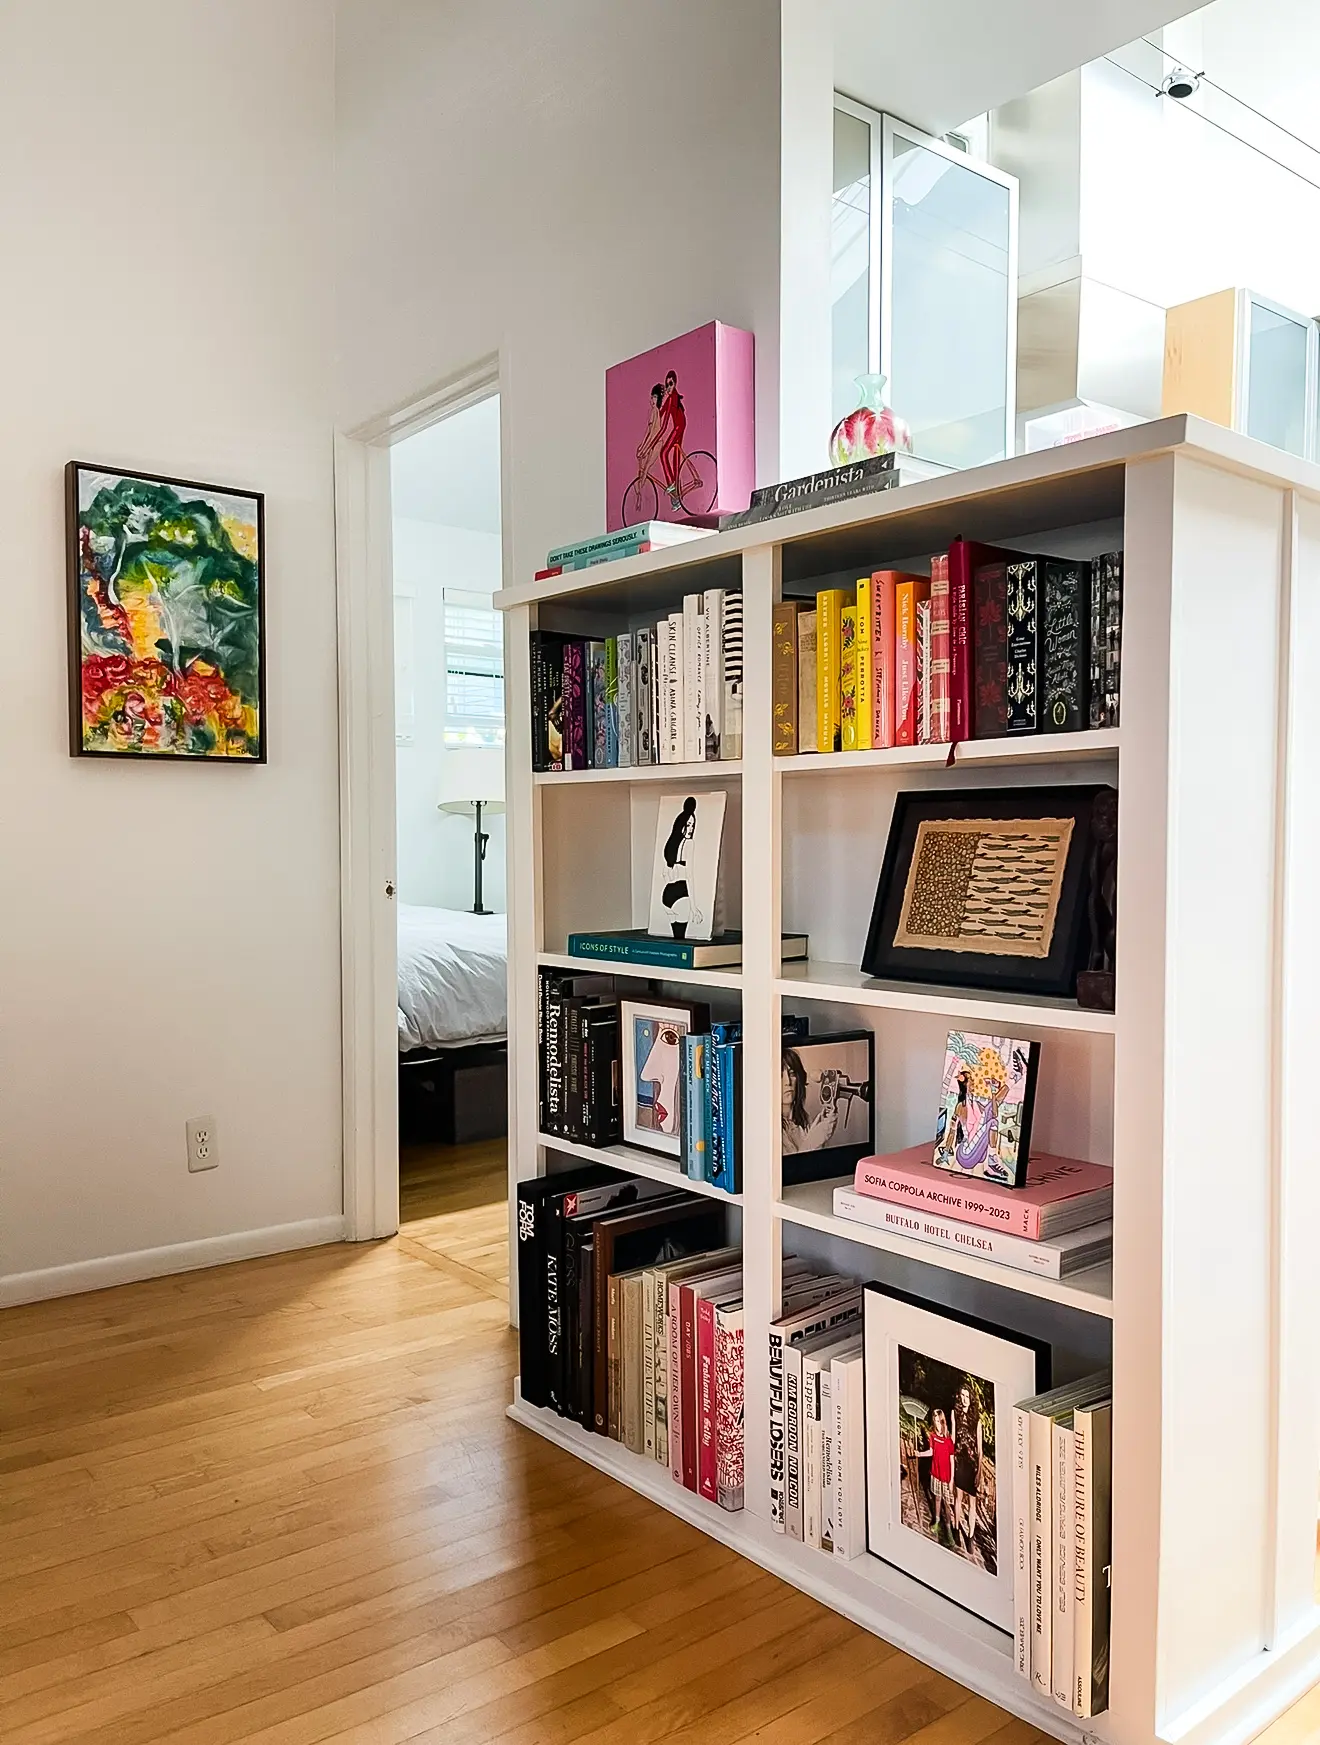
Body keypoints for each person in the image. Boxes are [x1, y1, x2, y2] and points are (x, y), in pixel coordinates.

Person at [781, 1049, 842, 1153]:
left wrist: (820, 1132)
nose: (788, 1082)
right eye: (780, 1075)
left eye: (791, 1074)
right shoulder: (767, 1129)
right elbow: (793, 1167)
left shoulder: (804, 1119)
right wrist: (814, 1139)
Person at [914, 1408, 956, 1544]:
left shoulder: (949, 1441)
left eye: (940, 1421)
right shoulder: (932, 1437)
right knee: (937, 1499)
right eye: (935, 1421)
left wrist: (951, 1480)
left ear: (943, 1422)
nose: (937, 1424)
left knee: (947, 1504)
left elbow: (951, 1460)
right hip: (936, 1475)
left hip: (946, 1477)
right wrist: (919, 1454)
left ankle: (949, 1530)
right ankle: (937, 1520)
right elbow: (931, 1452)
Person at [951, 1380, 984, 1554]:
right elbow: (953, 1440)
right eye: (962, 1395)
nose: (964, 1399)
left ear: (971, 1399)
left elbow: (980, 1449)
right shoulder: (954, 1414)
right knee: (958, 1498)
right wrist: (951, 1464)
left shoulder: (977, 1421)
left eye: (967, 1396)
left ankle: (970, 1537)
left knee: (972, 1503)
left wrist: (979, 1471)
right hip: (959, 1462)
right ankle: (956, 1529)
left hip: (971, 1465)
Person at [657, 369, 687, 505]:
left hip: (679, 426)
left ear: (675, 384)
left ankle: (672, 485)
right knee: (675, 459)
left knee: (663, 454)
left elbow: (664, 426)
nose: (668, 387)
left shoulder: (672, 398)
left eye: (671, 384)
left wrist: (654, 441)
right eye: (667, 384)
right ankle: (677, 497)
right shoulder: (670, 398)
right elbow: (660, 413)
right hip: (680, 425)